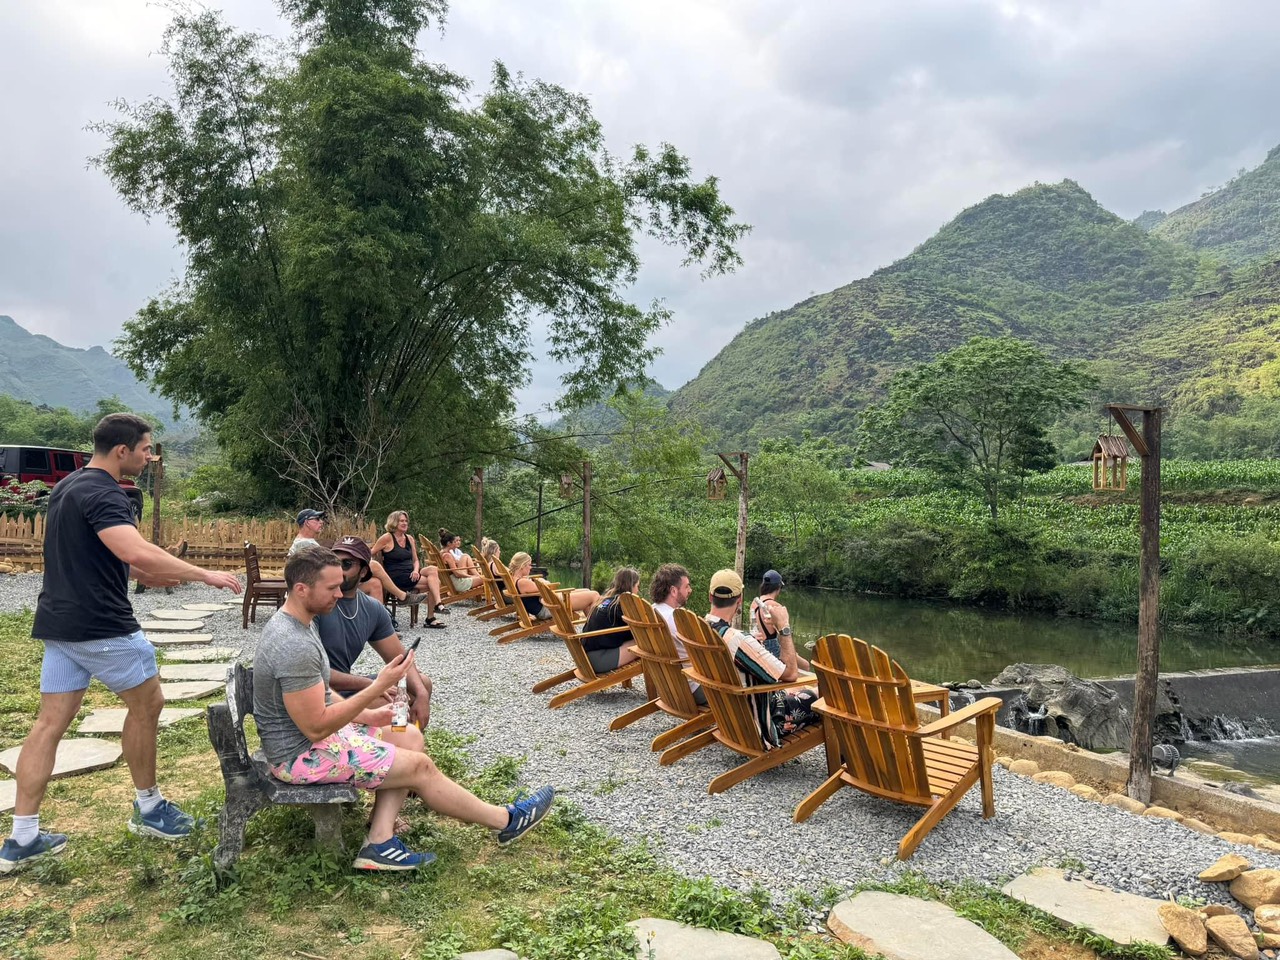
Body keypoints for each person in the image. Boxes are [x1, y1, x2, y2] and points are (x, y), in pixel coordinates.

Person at [1, 414, 243, 874]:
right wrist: (203, 574)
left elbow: (105, 555)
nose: (150, 457)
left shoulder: (68, 487)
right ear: (121, 451)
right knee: (149, 705)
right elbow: (133, 549)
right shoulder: (106, 493)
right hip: (102, 625)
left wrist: (150, 572)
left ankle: (23, 837)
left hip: (59, 624)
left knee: (49, 724)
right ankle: (149, 808)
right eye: (146, 449)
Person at [254, 545, 555, 871]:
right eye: (331, 588)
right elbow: (316, 727)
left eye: (340, 585)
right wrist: (377, 687)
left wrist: (369, 715)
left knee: (408, 737)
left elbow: (323, 692)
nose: (340, 595)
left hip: (311, 740)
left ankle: (379, 840)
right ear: (302, 589)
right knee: (419, 767)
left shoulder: (301, 623)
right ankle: (507, 820)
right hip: (299, 757)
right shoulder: (294, 644)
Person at [316, 537, 432, 730]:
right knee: (391, 704)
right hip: (317, 691)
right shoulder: (318, 602)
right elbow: (311, 672)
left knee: (423, 684)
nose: (338, 569)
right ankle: (395, 743)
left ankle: (408, 740)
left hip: (345, 687)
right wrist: (373, 685)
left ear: (363, 571)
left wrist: (421, 694)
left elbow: (399, 658)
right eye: (334, 562)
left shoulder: (371, 608)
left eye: (346, 564)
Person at [703, 569, 818, 747]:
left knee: (799, 688)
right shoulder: (738, 640)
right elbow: (791, 674)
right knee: (822, 694)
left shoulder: (702, 629)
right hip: (761, 724)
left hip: (727, 714)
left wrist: (750, 644)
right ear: (739, 600)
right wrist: (784, 628)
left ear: (710, 596)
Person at [290, 509, 422, 609]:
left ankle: (382, 621)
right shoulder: (304, 544)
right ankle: (401, 597)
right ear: (307, 522)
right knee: (373, 565)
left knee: (375, 583)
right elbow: (324, 568)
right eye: (317, 519)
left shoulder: (307, 541)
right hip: (322, 585)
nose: (321, 522)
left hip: (327, 581)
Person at [373, 511, 445, 628]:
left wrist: (416, 570)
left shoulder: (409, 538)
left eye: (406, 521)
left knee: (432, 570)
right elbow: (371, 552)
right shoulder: (387, 538)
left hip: (411, 573)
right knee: (436, 582)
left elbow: (415, 560)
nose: (405, 523)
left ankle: (438, 604)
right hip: (397, 576)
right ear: (394, 522)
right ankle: (431, 616)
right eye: (401, 521)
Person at [648, 562, 704, 703]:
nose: (690, 590)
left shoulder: (652, 611)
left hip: (667, 685)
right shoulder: (675, 618)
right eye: (686, 586)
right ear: (673, 591)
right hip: (692, 687)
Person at [581, 567, 641, 673]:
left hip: (585, 657)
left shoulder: (606, 601)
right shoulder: (621, 607)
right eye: (637, 586)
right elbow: (638, 633)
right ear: (631, 586)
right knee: (645, 643)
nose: (638, 590)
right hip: (598, 661)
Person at [507, 551, 599, 619]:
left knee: (587, 590)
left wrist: (536, 581)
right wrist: (542, 580)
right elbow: (549, 587)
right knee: (594, 595)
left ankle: (591, 626)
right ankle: (594, 627)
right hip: (549, 607)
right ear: (522, 566)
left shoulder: (515, 579)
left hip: (548, 602)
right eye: (529, 565)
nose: (530, 568)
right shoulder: (522, 582)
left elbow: (542, 591)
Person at [749, 569, 810, 671]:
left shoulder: (754, 603)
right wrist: (792, 653)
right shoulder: (776, 607)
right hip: (773, 649)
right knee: (806, 665)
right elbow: (785, 634)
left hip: (759, 646)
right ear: (778, 587)